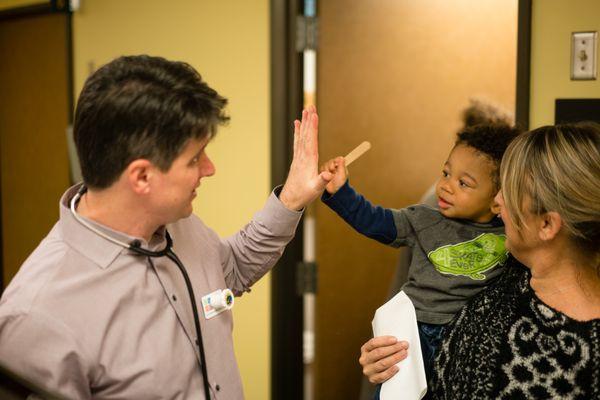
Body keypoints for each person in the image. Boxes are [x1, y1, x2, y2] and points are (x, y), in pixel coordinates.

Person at [0, 55, 332, 399]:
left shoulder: (178, 222)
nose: (210, 168)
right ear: (142, 176)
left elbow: (230, 270)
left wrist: (292, 197)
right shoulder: (35, 318)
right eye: (194, 158)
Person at [360, 123, 600, 399]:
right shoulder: (500, 276)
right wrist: (388, 362)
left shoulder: (587, 349)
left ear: (547, 224)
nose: (496, 202)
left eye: (508, 191)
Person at [321, 124, 522, 387]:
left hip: (466, 336)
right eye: (446, 173)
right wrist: (341, 192)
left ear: (497, 200)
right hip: (413, 334)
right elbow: (374, 220)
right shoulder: (423, 219)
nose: (446, 186)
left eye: (463, 183)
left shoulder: (513, 237)